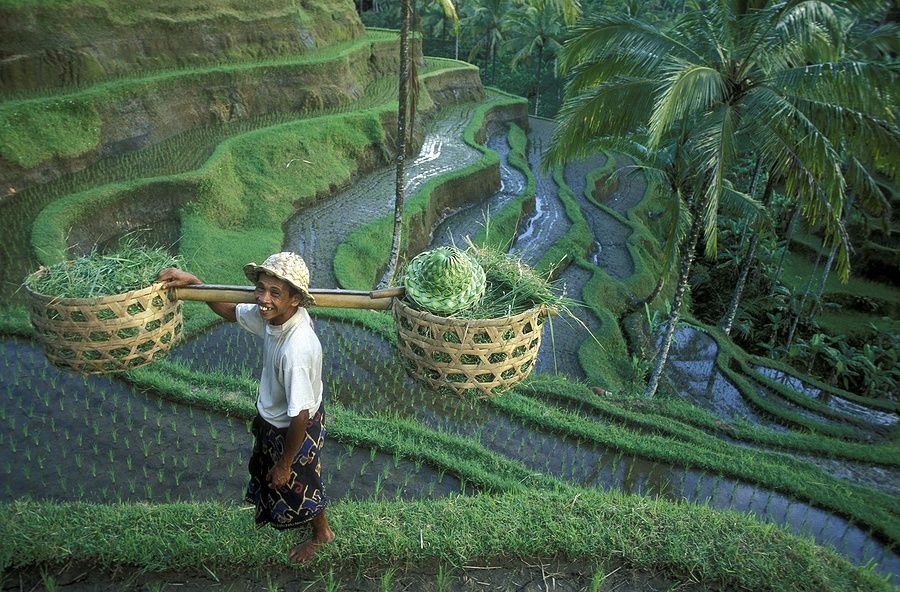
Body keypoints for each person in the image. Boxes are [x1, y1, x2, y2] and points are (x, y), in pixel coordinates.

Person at [159, 252, 334, 564]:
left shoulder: (298, 348)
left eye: (275, 293)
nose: (263, 299)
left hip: (296, 426)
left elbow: (301, 416)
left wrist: (285, 463)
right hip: (277, 417)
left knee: (299, 479)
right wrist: (197, 284)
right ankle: (298, 512)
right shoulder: (274, 315)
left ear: (295, 299)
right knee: (278, 475)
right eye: (261, 289)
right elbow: (230, 311)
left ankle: (322, 534)